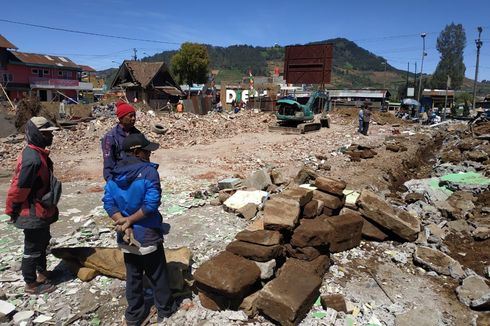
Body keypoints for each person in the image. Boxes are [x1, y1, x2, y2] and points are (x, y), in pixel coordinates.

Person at [103, 133, 175, 325]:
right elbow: (151, 204)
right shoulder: (149, 172)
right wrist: (130, 220)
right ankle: (164, 312)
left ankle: (134, 315)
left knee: (133, 276)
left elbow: (109, 204)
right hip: (147, 233)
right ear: (136, 152)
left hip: (126, 236)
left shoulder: (113, 175)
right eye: (147, 151)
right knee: (158, 275)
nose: (149, 155)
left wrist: (123, 222)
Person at [5, 117, 61, 295]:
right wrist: (12, 210)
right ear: (37, 135)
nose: (51, 136)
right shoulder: (33, 160)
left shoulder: (38, 154)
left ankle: (42, 273)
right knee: (32, 248)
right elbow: (19, 189)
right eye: (47, 133)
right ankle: (31, 283)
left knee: (42, 242)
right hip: (32, 212)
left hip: (42, 210)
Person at [101, 101, 140, 181]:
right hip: (119, 177)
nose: (133, 118)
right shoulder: (110, 137)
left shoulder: (137, 134)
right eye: (130, 116)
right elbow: (108, 162)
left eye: (134, 116)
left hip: (136, 177)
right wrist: (110, 182)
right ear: (121, 118)